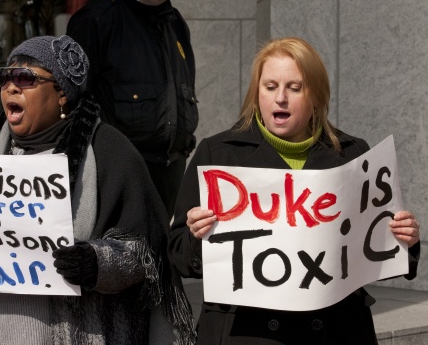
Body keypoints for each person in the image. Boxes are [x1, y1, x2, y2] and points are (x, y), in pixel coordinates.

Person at [0, 35, 195, 345]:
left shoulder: (111, 152)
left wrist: (96, 262)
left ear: (62, 94)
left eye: (26, 78)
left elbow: (148, 256)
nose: (11, 86)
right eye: (6, 77)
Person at [168, 37, 421, 344]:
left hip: (334, 331)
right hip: (247, 332)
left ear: (316, 95)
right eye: (270, 86)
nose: (281, 98)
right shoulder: (218, 155)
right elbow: (179, 256)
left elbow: (375, 256)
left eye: (295, 87)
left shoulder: (354, 155)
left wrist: (403, 239)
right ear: (256, 93)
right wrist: (197, 237)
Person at [66, 0, 198, 221]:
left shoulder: (174, 23)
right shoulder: (97, 21)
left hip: (171, 167)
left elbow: (185, 85)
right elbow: (73, 98)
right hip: (121, 168)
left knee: (160, 255)